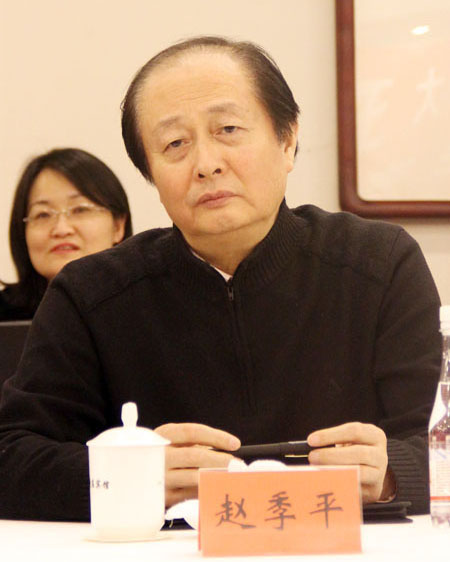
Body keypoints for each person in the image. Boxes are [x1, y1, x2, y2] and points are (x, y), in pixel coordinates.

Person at [0, 37, 441, 521]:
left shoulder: (380, 263)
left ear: (287, 140)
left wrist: (392, 473)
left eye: (228, 129)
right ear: (150, 174)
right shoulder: (91, 294)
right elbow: (11, 455)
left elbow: (437, 440)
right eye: (174, 144)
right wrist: (128, 477)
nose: (206, 164)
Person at [0, 148, 133, 321]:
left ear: (118, 226)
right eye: (43, 214)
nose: (61, 229)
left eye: (80, 210)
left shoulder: (148, 309)